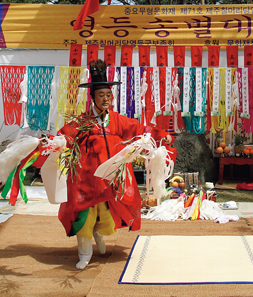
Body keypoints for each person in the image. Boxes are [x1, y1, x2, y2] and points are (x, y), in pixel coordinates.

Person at [58, 59, 174, 270]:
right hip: (86, 179)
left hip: (112, 177)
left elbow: (141, 129)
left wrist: (161, 135)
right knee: (84, 214)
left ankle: (98, 234)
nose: (105, 99)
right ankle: (84, 253)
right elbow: (64, 137)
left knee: (108, 213)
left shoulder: (118, 120)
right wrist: (51, 143)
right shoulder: (83, 122)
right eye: (100, 95)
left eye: (108, 95)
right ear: (92, 97)